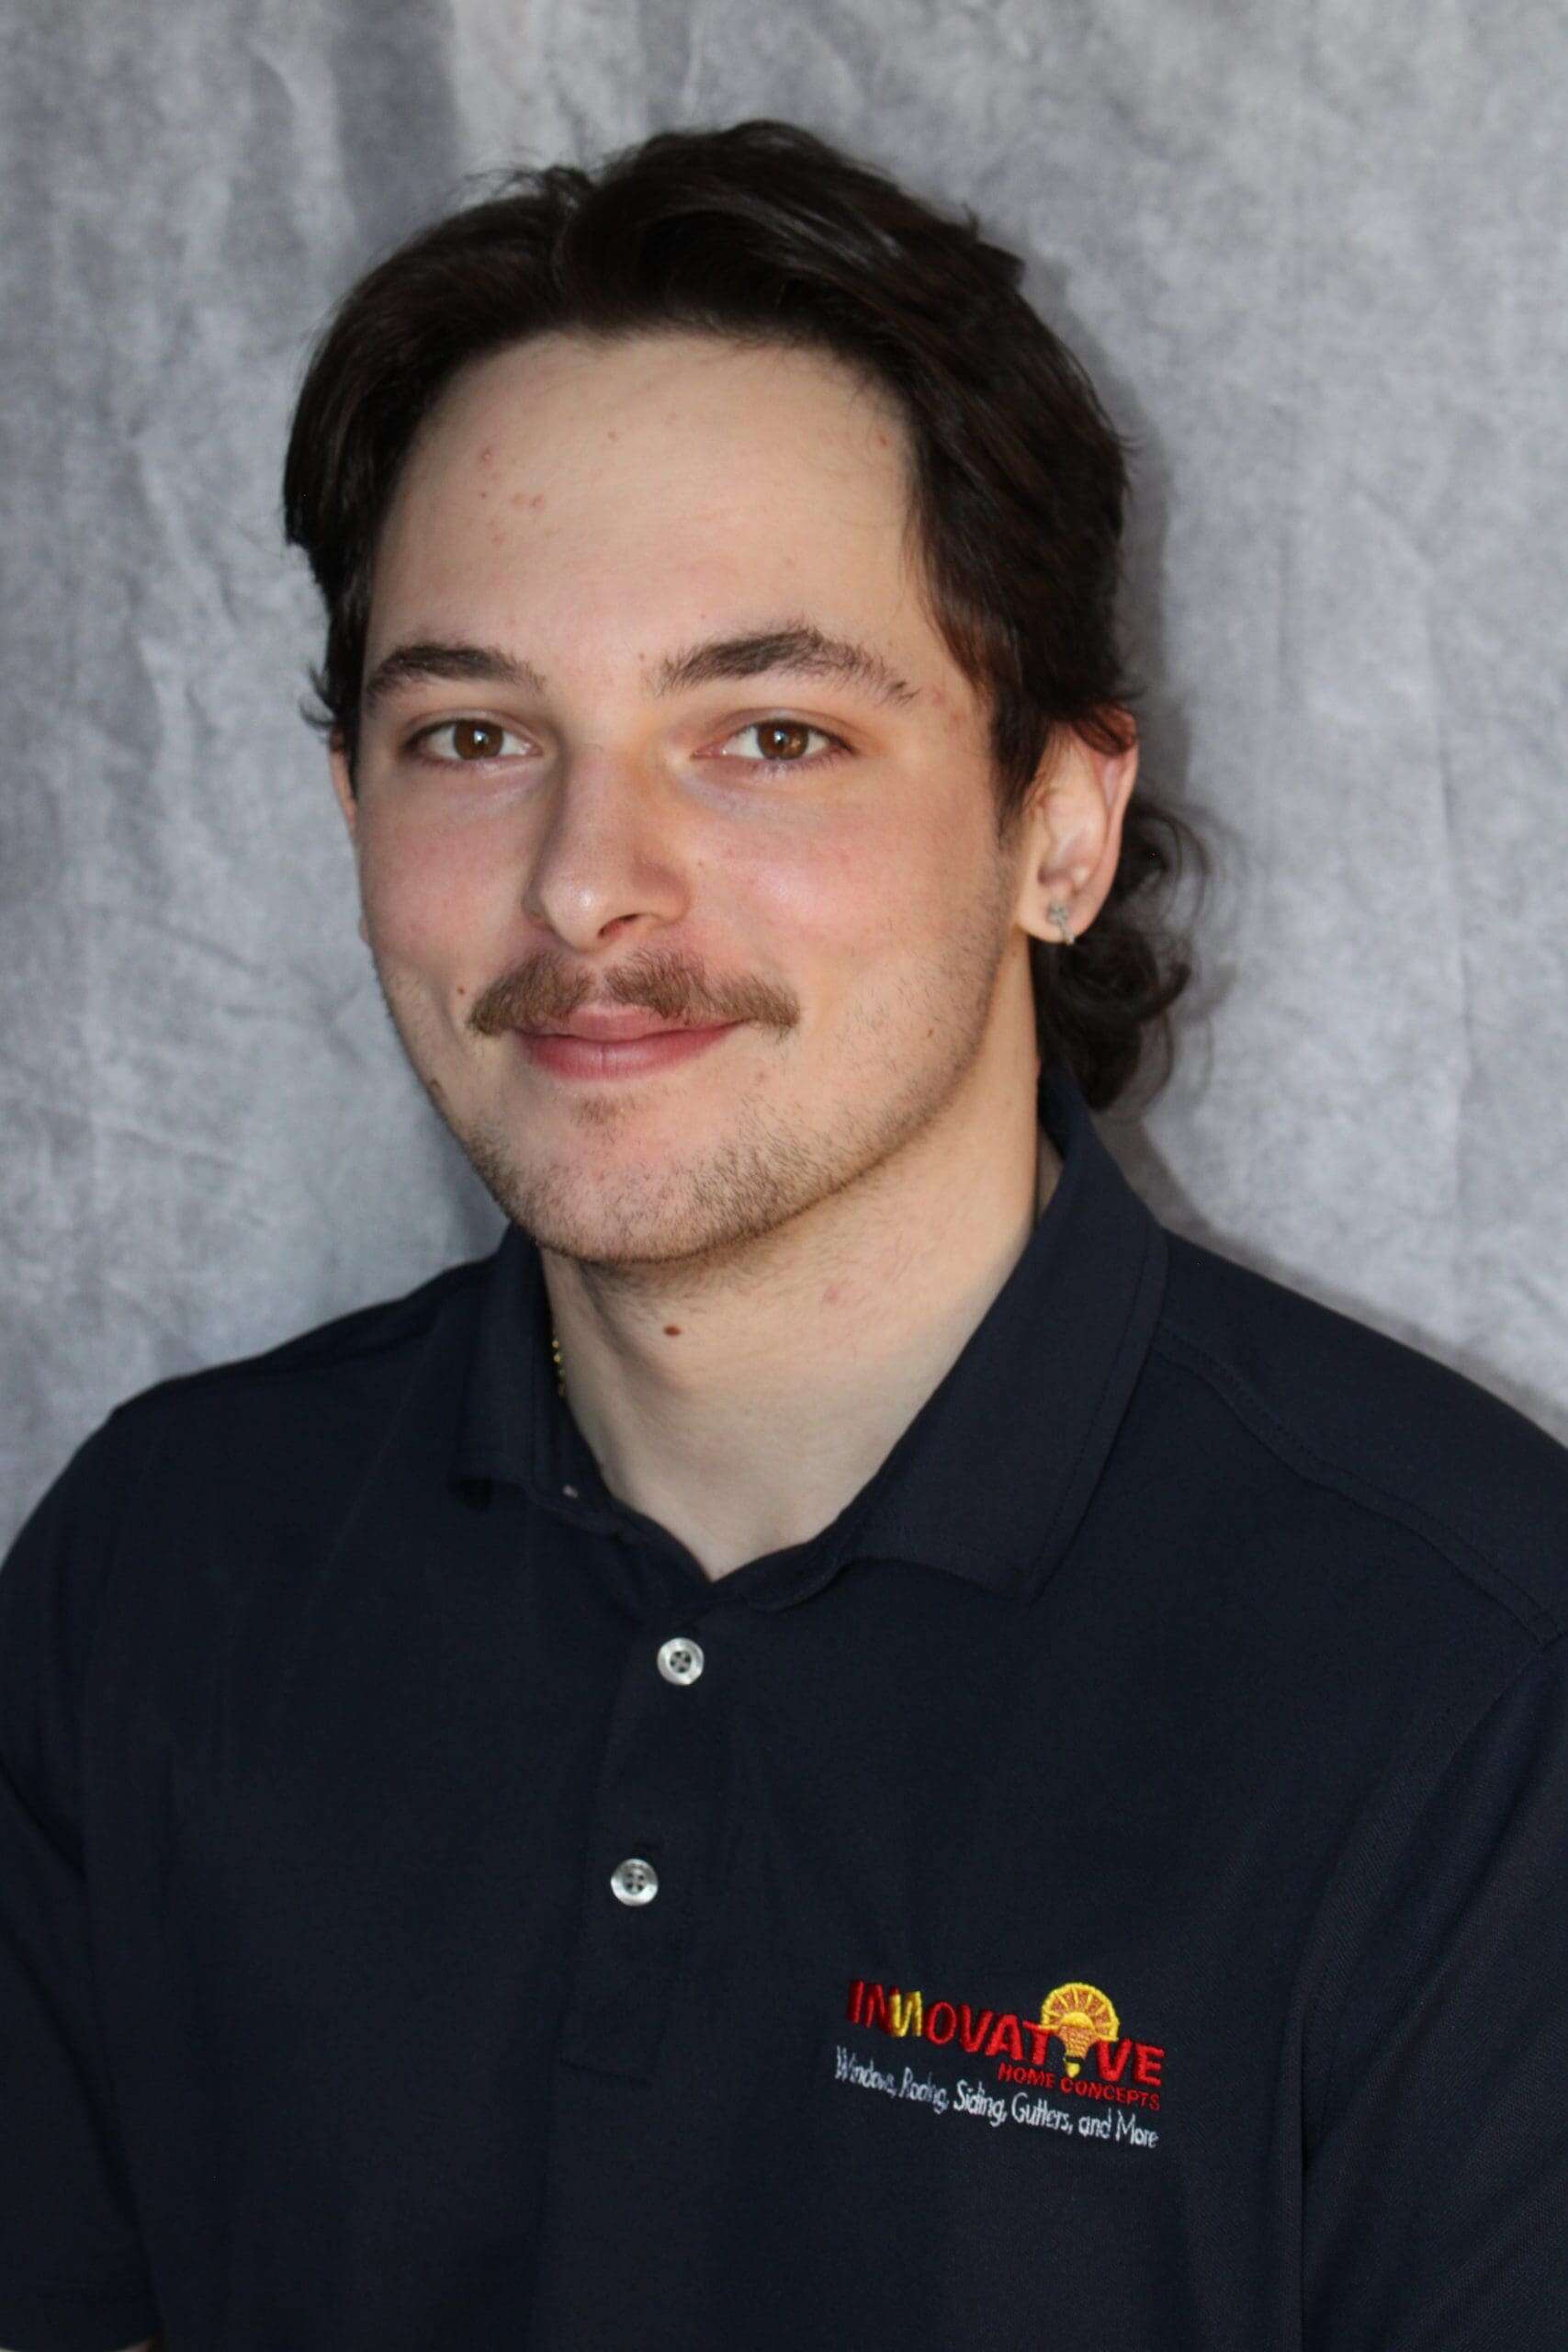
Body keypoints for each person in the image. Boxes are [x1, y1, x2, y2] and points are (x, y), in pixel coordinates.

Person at [2, 116, 1564, 2352]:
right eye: (469, 730)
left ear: (1057, 821)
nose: (581, 882)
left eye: (765, 731)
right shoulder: (153, 1567)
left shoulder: (1482, 1692)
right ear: (349, 799)